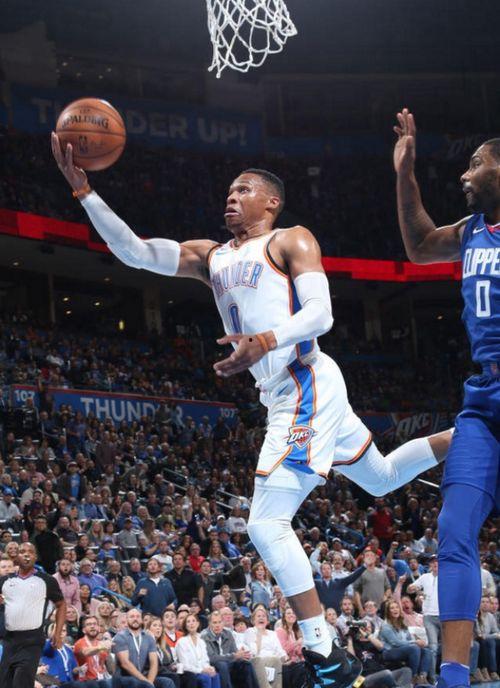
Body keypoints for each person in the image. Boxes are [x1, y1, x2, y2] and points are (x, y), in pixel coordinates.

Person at [52, 135, 454, 688]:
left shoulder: (291, 239)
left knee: (265, 523)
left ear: (271, 202)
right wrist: (85, 193)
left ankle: (326, 655)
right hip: (287, 391)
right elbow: (136, 252)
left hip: (305, 380)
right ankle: (472, 433)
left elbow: (321, 314)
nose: (232, 196)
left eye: (244, 190)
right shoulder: (211, 256)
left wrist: (266, 339)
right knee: (382, 478)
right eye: (229, 190)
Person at [393, 108, 500, 688]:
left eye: (476, 163)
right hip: (483, 400)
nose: (464, 173)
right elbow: (417, 245)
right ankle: (453, 679)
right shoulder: (471, 230)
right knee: (454, 531)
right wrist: (405, 174)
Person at [0, 542, 66, 688]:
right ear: (16, 556)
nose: (26, 554)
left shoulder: (47, 580)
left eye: (30, 552)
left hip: (32, 640)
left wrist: (57, 632)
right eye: (22, 551)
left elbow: (61, 604)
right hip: (9, 641)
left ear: (35, 557)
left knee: (21, 682)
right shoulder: (4, 581)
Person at [113, 607, 176, 688]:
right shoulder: (120, 637)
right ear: (127, 619)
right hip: (125, 677)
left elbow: (154, 663)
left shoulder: (148, 637)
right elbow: (125, 663)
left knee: (167, 682)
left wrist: (150, 682)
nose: (135, 619)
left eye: (138, 616)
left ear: (142, 620)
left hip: (144, 677)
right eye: (132, 617)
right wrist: (146, 683)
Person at [201, 610, 259, 688]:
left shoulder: (228, 634)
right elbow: (212, 658)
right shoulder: (204, 636)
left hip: (229, 663)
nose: (217, 625)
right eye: (214, 623)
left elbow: (235, 652)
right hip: (213, 665)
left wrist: (241, 655)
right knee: (222, 665)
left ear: (223, 623)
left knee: (245, 664)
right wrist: (234, 656)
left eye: (219, 622)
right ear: (209, 624)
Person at [379, 600, 432, 684]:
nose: (395, 610)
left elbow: (408, 638)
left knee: (426, 651)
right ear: (388, 611)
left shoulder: (402, 623)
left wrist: (417, 642)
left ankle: (422, 677)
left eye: (397, 607)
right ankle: (413, 677)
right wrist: (415, 642)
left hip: (404, 649)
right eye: (392, 608)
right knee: (414, 648)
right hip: (389, 651)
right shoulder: (385, 626)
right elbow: (396, 643)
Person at [407, 556, 440, 682]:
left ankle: (448, 675)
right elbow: (410, 589)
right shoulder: (425, 577)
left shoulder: (448, 576)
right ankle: (432, 678)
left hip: (445, 616)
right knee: (433, 648)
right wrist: (412, 588)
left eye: (437, 562)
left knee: (448, 647)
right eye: (433, 562)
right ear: (430, 565)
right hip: (429, 616)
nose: (435, 564)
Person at [175, 613, 221, 688]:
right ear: (185, 626)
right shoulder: (182, 642)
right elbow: (185, 665)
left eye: (193, 621)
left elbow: (205, 660)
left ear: (198, 624)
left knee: (215, 675)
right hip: (190, 673)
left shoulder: (202, 640)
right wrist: (202, 670)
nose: (191, 623)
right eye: (188, 621)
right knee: (206, 678)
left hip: (202, 670)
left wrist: (209, 668)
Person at [74, 614, 113, 686]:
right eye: (89, 624)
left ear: (99, 628)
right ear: (83, 630)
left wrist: (109, 651)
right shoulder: (79, 643)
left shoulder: (100, 643)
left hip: (101, 679)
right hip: (86, 681)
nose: (92, 626)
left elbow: (109, 668)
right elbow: (86, 652)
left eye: (95, 624)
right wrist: (100, 647)